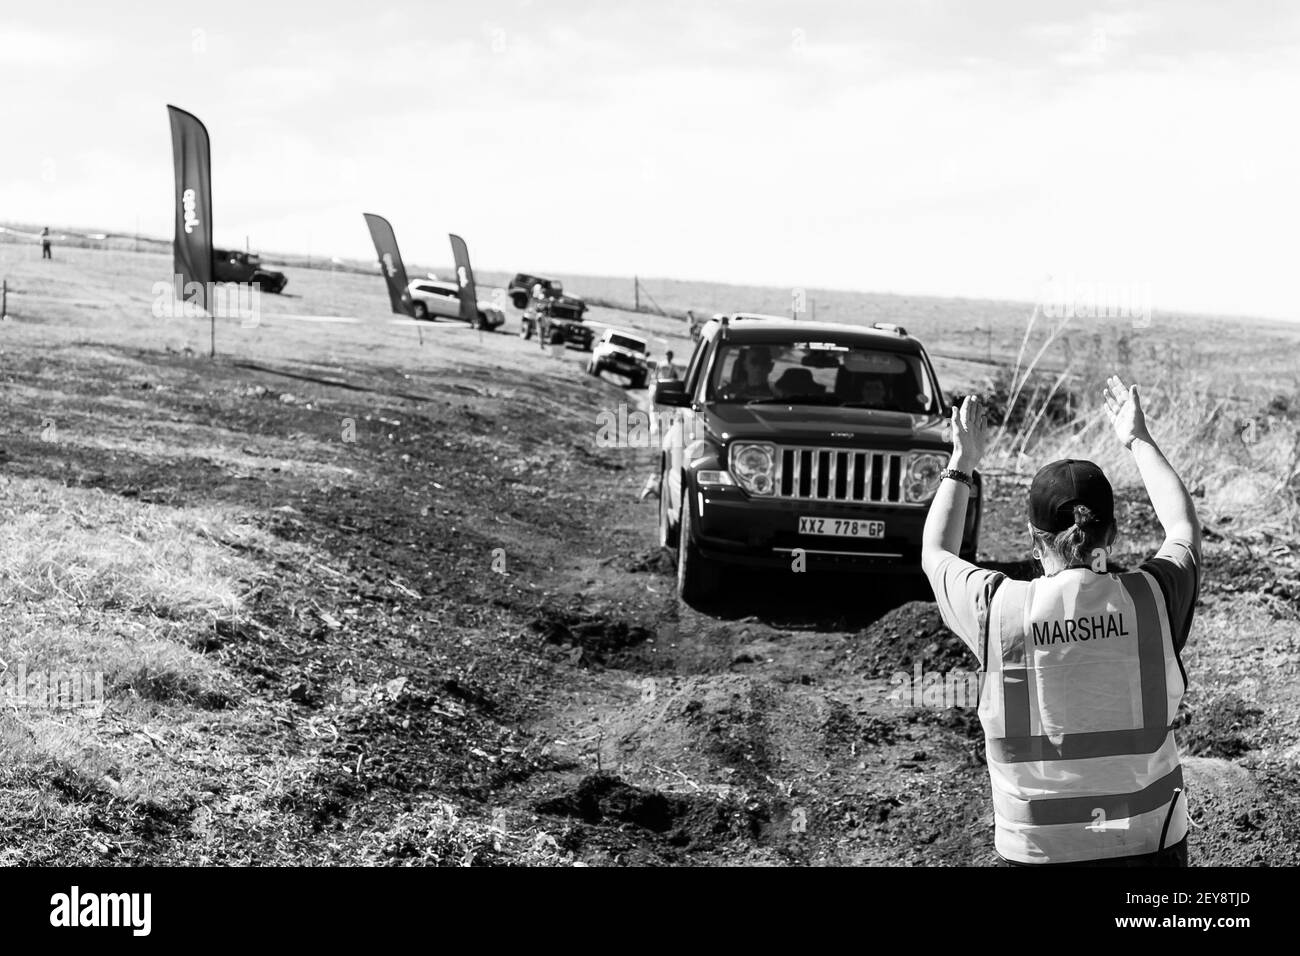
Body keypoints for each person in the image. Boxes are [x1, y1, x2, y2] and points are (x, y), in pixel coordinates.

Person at [921, 376, 1200, 867]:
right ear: (1111, 532)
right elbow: (1182, 528)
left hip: (1037, 850)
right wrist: (1137, 439)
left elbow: (936, 552)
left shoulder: (999, 608)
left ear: (1034, 540)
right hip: (1148, 841)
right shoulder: (1152, 596)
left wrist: (961, 464)